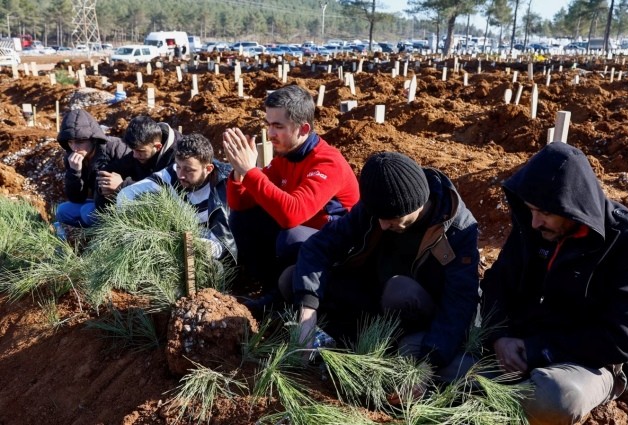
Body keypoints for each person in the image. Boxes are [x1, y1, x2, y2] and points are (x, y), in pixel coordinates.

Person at [479, 143, 628, 425]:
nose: (535, 222)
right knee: (443, 361)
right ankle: (492, 392)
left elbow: (622, 339)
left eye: (545, 213)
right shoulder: (532, 225)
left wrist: (536, 349)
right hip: (515, 345)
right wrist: (499, 337)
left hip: (583, 361)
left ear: (572, 207)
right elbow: (497, 283)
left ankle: (491, 395)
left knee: (555, 398)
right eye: (530, 210)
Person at [285, 151, 480, 383]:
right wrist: (308, 313)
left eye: (391, 218)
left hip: (421, 312)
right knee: (291, 279)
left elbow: (460, 302)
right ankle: (349, 343)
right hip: (373, 300)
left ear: (416, 204)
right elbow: (319, 246)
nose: (383, 225)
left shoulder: (457, 229)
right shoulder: (378, 206)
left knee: (399, 290)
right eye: (379, 217)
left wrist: (429, 363)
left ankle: (385, 351)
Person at [222, 84, 359, 304]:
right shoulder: (286, 157)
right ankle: (269, 288)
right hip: (307, 233)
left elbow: (291, 214)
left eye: (278, 126)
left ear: (304, 129)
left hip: (341, 248)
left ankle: (287, 300)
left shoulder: (327, 162)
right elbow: (240, 203)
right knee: (243, 219)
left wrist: (250, 171)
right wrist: (239, 173)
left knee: (289, 237)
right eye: (268, 124)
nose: (270, 133)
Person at [117, 133, 236, 263]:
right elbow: (126, 195)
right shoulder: (171, 175)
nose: (181, 175)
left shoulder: (225, 185)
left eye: (189, 170)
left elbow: (224, 243)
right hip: (179, 239)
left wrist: (191, 246)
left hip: (213, 249)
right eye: (178, 167)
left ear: (208, 168)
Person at [56, 108, 129, 227]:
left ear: (93, 139)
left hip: (121, 202)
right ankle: (83, 235)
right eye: (70, 142)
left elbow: (139, 176)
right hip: (96, 202)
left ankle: (102, 234)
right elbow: (76, 198)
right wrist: (75, 171)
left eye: (80, 142)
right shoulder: (71, 157)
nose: (74, 148)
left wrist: (120, 185)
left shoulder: (116, 148)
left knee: (87, 212)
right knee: (62, 211)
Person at [96, 115, 181, 210]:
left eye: (140, 151)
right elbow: (110, 170)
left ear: (157, 147)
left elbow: (168, 193)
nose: (135, 155)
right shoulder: (140, 149)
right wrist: (105, 186)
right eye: (133, 150)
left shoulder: (178, 158)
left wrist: (122, 186)